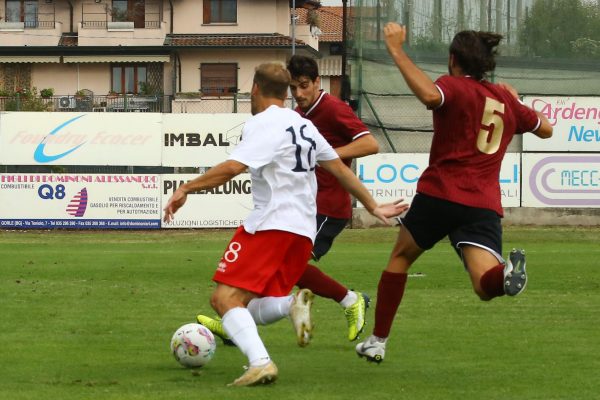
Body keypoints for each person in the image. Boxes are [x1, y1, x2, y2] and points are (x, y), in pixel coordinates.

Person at [163, 62, 407, 386]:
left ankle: (260, 362)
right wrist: (373, 204)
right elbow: (339, 169)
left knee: (224, 300)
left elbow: (233, 167)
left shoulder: (264, 124)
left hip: (271, 225)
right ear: (286, 91)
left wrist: (186, 188)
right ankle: (292, 304)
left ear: (254, 89)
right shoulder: (303, 125)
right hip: (303, 230)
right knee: (252, 301)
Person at [355, 23, 553, 363]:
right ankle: (505, 273)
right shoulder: (504, 98)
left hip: (441, 194)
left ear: (452, 60)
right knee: (484, 286)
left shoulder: (454, 87)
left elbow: (431, 96)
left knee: (400, 259)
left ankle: (377, 341)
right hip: (483, 204)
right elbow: (547, 130)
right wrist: (517, 102)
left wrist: (397, 51)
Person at [198, 55, 381, 344]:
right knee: (275, 272)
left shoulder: (332, 108)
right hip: (307, 205)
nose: (299, 94)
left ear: (318, 82)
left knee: (285, 267)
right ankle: (237, 321)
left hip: (327, 206)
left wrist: (327, 157)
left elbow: (371, 144)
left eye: (304, 86)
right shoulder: (298, 117)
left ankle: (349, 299)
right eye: (293, 88)